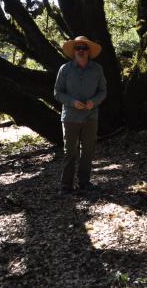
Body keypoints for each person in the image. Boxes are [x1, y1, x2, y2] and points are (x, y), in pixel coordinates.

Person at [54, 36, 107, 194]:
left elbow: (103, 91)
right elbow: (57, 92)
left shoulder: (97, 69)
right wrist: (71, 102)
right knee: (70, 152)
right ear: (74, 51)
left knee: (88, 151)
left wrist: (94, 101)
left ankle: (84, 183)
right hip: (70, 117)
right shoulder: (65, 69)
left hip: (91, 116)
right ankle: (66, 186)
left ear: (89, 51)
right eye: (78, 48)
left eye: (84, 48)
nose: (81, 51)